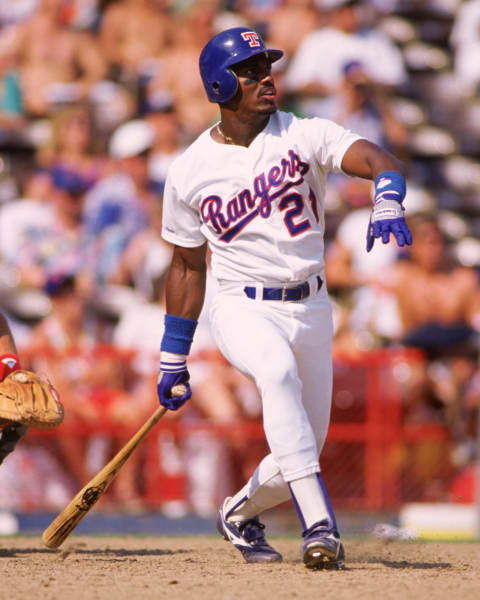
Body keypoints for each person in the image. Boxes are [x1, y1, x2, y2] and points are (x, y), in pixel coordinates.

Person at [156, 27, 412, 570]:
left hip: (312, 306)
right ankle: (320, 526)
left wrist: (387, 194)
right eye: (250, 70)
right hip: (240, 304)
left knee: (300, 449)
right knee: (274, 374)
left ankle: (239, 512)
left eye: (266, 66)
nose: (265, 77)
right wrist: (172, 356)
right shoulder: (188, 170)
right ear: (220, 84)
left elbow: (375, 156)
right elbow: (185, 265)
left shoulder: (302, 132)